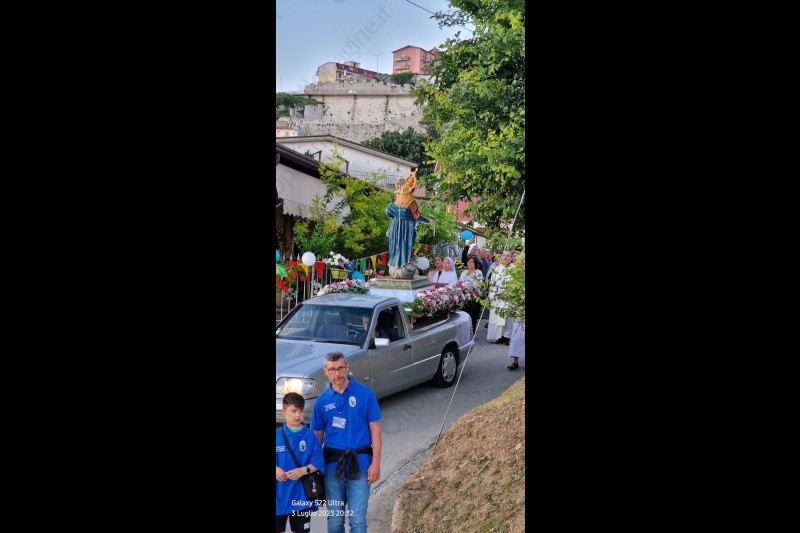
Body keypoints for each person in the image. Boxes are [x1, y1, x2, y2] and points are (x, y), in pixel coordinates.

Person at [311, 352, 382, 533]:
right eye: (332, 369)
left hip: (361, 465)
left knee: (357, 520)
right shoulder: (321, 402)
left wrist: (376, 463)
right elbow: (317, 437)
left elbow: (375, 430)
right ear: (325, 371)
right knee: (335, 521)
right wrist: (313, 471)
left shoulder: (365, 394)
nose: (338, 373)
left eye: (341, 368)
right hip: (332, 468)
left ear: (347, 367)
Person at [276, 393, 325, 533]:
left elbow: (318, 463)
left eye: (301, 411)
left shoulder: (310, 436)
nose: (298, 415)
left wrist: (302, 471)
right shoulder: (277, 435)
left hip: (301, 496)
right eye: (293, 411)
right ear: (283, 411)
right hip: (278, 497)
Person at [385, 170, 429, 279]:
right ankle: (404, 263)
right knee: (405, 245)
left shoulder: (395, 201)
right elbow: (417, 216)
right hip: (406, 227)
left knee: (396, 246)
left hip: (395, 226)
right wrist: (428, 221)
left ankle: (395, 265)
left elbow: (387, 212)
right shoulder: (410, 200)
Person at [486, 250, 514, 344]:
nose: (505, 257)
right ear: (501, 257)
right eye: (504, 255)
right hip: (497, 297)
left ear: (511, 258)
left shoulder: (514, 269)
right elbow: (492, 283)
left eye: (507, 255)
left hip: (508, 297)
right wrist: (494, 293)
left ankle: (507, 336)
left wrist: (506, 293)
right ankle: (498, 336)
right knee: (497, 317)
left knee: (507, 318)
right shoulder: (497, 269)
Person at [459, 256, 485, 333]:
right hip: (465, 298)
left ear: (475, 263)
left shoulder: (478, 272)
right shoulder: (464, 273)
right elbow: (460, 284)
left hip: (475, 298)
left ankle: (472, 333)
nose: (470, 263)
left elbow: (478, 285)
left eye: (472, 262)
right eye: (468, 261)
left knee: (473, 318)